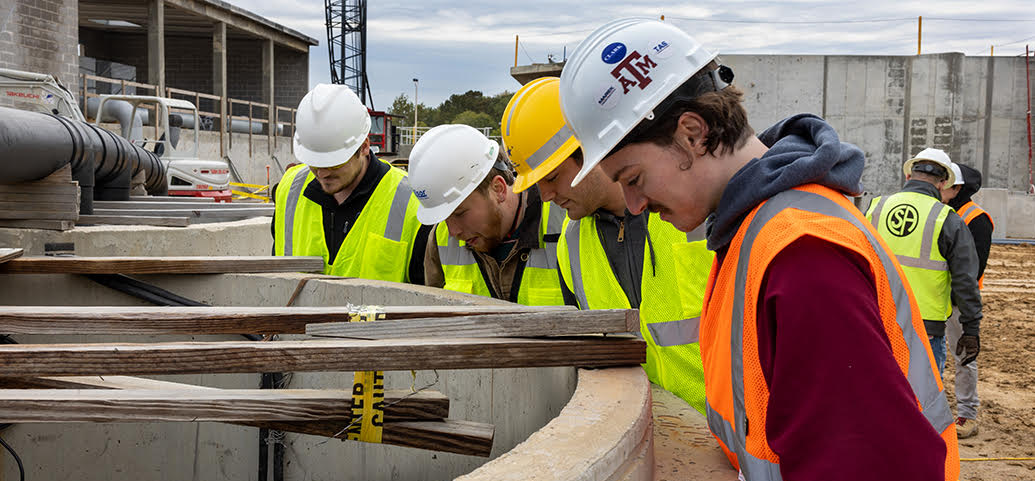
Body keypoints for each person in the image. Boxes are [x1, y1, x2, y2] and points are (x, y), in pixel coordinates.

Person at [558, 18, 968, 481]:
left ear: (692, 134)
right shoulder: (752, 234)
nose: (635, 203)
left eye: (634, 176)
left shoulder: (800, 253)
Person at [499, 76, 712, 413]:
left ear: (590, 149)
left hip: (732, 438)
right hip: (647, 438)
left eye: (552, 177)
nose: (548, 197)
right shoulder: (571, 241)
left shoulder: (689, 209)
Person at [271, 84, 428, 283]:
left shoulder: (410, 203)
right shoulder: (290, 188)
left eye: (334, 163)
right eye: (314, 162)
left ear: (364, 147)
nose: (322, 173)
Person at [407, 124, 570, 305]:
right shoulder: (440, 240)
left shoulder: (566, 225)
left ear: (498, 189)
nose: (453, 231)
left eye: (459, 213)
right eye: (444, 218)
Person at [865, 148, 982, 376]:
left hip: (878, 320)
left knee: (878, 398)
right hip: (925, 328)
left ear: (908, 176)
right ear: (943, 184)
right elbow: (965, 280)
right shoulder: (947, 219)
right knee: (924, 403)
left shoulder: (875, 208)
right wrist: (971, 328)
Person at [942, 162, 993, 438]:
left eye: (945, 181)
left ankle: (967, 414)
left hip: (959, 302)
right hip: (935, 296)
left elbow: (975, 269)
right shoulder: (944, 213)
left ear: (958, 187)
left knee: (963, 357)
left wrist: (959, 302)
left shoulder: (976, 218)